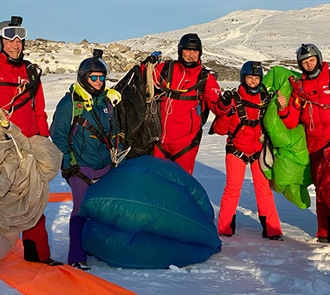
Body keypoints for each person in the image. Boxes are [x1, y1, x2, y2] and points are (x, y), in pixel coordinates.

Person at [50, 49, 122, 270]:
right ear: (83, 77)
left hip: (104, 164)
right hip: (80, 165)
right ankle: (76, 255)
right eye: (94, 77)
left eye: (102, 77)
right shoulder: (69, 103)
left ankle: (95, 246)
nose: (99, 82)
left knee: (103, 208)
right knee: (81, 208)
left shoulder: (106, 102)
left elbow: (114, 130)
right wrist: (68, 163)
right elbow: (57, 133)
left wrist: (116, 152)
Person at [0, 16, 63, 265]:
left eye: (19, 40)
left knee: (34, 199)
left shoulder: (30, 72)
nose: (16, 45)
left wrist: (42, 138)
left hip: (28, 145)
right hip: (4, 146)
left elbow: (39, 109)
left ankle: (38, 255)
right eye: (9, 39)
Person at [210, 61, 283, 240]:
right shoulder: (233, 99)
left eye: (256, 78)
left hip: (259, 151)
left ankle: (272, 229)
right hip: (236, 150)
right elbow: (220, 130)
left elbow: (278, 124)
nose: (253, 82)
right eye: (250, 78)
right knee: (232, 189)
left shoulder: (266, 100)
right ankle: (225, 227)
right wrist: (225, 110)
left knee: (264, 190)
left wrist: (282, 108)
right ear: (243, 78)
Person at [143, 33, 222, 175]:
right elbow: (144, 76)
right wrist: (147, 63)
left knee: (181, 185)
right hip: (159, 141)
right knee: (156, 184)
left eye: (195, 51)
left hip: (186, 145)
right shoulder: (166, 69)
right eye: (187, 50)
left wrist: (226, 104)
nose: (191, 55)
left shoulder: (205, 78)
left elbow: (218, 106)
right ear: (180, 51)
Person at [277, 43, 330, 243]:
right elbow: (292, 121)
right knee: (320, 189)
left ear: (319, 58)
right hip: (314, 147)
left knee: (328, 186)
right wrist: (283, 109)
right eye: (304, 62)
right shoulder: (299, 89)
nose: (309, 65)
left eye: (311, 60)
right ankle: (324, 232)